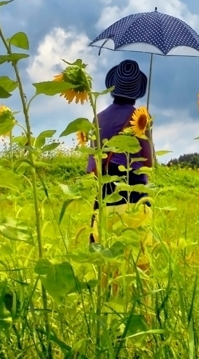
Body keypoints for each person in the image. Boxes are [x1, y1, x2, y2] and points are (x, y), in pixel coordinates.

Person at [87, 59, 154, 257]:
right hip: (136, 197)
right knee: (137, 265)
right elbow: (148, 163)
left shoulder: (97, 119)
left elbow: (93, 167)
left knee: (106, 263)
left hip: (105, 196)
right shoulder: (141, 118)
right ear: (138, 91)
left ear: (113, 88)